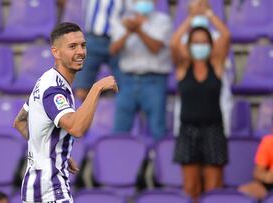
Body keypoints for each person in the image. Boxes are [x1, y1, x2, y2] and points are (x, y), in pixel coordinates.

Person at [13, 22, 118, 203]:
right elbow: (76, 128)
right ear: (56, 52)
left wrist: (54, 151)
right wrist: (97, 87)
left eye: (83, 45)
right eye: (72, 46)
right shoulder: (54, 89)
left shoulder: (46, 79)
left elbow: (20, 121)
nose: (81, 52)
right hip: (49, 187)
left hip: (37, 183)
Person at [170, 0, 230, 201]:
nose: (200, 45)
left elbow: (226, 36)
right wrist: (192, 17)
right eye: (195, 42)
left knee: (213, 188)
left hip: (213, 129)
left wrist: (208, 13)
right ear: (189, 45)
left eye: (204, 41)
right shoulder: (182, 68)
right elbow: (174, 42)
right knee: (191, 187)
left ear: (210, 45)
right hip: (188, 130)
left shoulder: (216, 64)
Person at [109, 0, 172, 141]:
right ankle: (118, 161)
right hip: (127, 80)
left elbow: (155, 47)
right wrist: (128, 32)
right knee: (120, 130)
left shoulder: (163, 20)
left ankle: (159, 162)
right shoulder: (122, 20)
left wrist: (138, 30)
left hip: (154, 81)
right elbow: (113, 50)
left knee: (157, 130)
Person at [74, 0, 124, 101]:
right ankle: (83, 116)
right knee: (82, 90)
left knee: (125, 88)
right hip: (93, 39)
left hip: (118, 41)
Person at [238, 135, 273, 200]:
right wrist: (267, 177)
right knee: (242, 192)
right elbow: (257, 173)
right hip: (268, 185)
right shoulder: (268, 141)